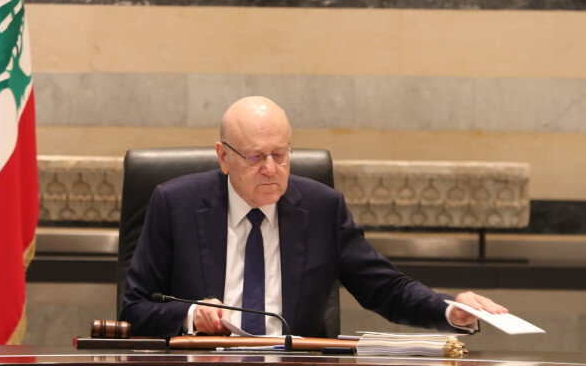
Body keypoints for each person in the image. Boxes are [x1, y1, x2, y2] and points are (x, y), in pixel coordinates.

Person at [121, 96, 507, 337]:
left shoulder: (322, 209)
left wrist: (450, 309)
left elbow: (387, 289)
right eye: (255, 157)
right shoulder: (175, 205)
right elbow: (133, 307)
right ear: (224, 157)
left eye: (280, 154)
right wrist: (192, 314)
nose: (271, 169)